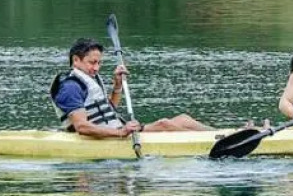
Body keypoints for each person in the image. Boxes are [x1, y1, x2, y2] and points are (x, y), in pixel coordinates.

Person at [51, 38, 212, 138]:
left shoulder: (89, 79)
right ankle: (209, 143)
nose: (97, 68)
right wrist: (121, 132)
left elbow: (109, 109)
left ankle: (220, 135)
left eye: (99, 63)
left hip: (115, 130)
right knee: (164, 124)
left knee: (184, 119)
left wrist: (117, 85)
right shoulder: (70, 87)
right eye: (92, 62)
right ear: (76, 60)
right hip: (103, 138)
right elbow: (82, 127)